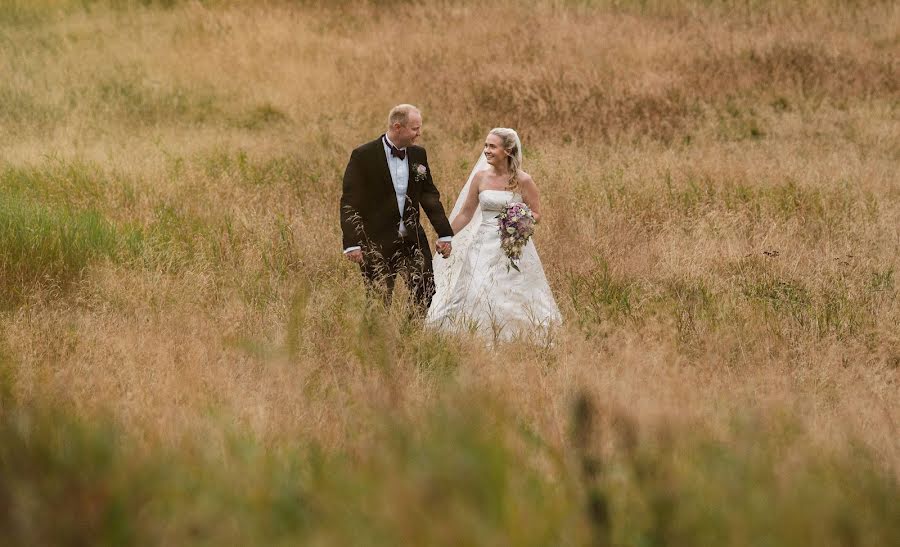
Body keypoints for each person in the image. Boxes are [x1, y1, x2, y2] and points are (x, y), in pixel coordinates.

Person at [427, 128, 562, 342]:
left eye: (492, 146)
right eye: (486, 145)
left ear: (508, 150)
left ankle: (517, 336)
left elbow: (536, 214)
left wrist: (518, 219)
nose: (486, 151)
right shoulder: (480, 177)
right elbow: (466, 213)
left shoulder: (523, 180)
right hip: (483, 245)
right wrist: (446, 236)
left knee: (515, 289)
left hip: (514, 245)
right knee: (478, 286)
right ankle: (475, 335)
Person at [340, 104, 453, 315]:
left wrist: (444, 233)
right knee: (378, 298)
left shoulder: (419, 155)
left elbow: (429, 196)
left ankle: (409, 336)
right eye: (415, 129)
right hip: (375, 240)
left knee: (426, 289)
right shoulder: (363, 155)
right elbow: (349, 201)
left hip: (412, 239)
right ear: (398, 127)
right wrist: (352, 242)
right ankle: (377, 344)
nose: (419, 134)